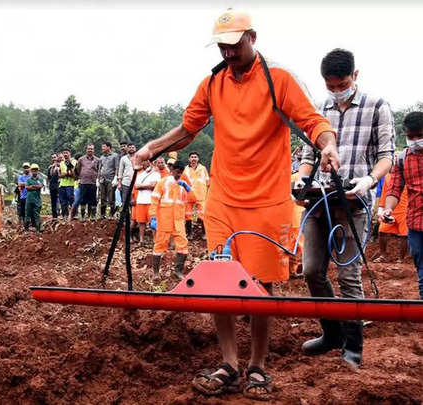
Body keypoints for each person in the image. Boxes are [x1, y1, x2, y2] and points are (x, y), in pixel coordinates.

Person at [133, 9, 339, 398]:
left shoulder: (279, 79)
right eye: (222, 47)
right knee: (219, 283)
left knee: (261, 285)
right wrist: (153, 148)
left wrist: (327, 146)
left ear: (253, 38)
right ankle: (228, 362)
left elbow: (313, 122)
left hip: (267, 200)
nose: (228, 53)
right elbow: (189, 128)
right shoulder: (213, 82)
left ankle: (258, 366)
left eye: (234, 45)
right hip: (223, 199)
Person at [298, 48, 395, 369]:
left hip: (354, 204)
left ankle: (353, 347)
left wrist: (369, 180)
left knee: (348, 275)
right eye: (331, 85)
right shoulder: (318, 108)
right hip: (319, 202)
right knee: (312, 270)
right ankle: (331, 333)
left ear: (355, 76)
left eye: (342, 84)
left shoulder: (377, 107)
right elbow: (307, 156)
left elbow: (387, 155)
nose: (337, 90)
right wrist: (301, 180)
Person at [380, 111, 423, 299]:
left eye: (420, 136)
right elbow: (394, 188)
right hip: (416, 224)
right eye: (410, 137)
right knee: (422, 270)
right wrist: (388, 208)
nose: (414, 141)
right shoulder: (402, 158)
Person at [149, 160, 194, 279]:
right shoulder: (162, 183)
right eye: (177, 172)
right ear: (172, 170)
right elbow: (154, 200)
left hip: (178, 221)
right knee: (159, 245)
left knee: (183, 245)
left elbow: (194, 199)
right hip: (164, 220)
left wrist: (188, 189)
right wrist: (153, 217)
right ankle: (156, 273)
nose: (178, 175)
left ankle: (178, 271)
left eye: (181, 173)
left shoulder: (183, 185)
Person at [374, 172, 408, 263]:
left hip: (405, 209)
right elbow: (384, 192)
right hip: (390, 209)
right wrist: (381, 208)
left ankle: (401, 259)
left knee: (404, 235)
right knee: (382, 231)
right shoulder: (388, 176)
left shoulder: (410, 174)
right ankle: (383, 255)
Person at [183, 152, 210, 238]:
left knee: (202, 215)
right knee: (188, 215)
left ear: (198, 159)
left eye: (195, 157)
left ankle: (204, 233)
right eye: (192, 157)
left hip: (201, 195)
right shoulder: (185, 169)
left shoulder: (203, 169)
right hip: (188, 195)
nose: (193, 159)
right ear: (189, 159)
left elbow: (207, 182)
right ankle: (189, 233)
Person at [134, 160, 161, 245]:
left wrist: (143, 186)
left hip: (151, 201)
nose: (144, 163)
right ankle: (141, 240)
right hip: (141, 201)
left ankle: (155, 240)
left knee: (153, 222)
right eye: (143, 162)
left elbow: (154, 186)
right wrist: (148, 185)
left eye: (146, 161)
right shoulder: (140, 175)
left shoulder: (156, 174)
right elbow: (137, 186)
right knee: (141, 222)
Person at [75, 144, 100, 221]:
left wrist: (97, 180)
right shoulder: (81, 159)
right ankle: (82, 216)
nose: (90, 150)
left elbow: (99, 170)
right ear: (86, 149)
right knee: (83, 200)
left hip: (93, 183)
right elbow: (77, 170)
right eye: (89, 149)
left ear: (94, 150)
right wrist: (81, 177)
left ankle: (92, 216)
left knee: (93, 200)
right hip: (83, 183)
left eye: (91, 149)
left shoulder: (97, 160)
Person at [98, 141, 119, 219]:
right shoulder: (101, 157)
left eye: (104, 147)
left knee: (111, 198)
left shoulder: (115, 156)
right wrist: (98, 178)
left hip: (111, 179)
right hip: (102, 179)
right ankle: (102, 215)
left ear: (108, 147)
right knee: (102, 197)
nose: (102, 148)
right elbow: (100, 168)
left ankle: (111, 214)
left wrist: (116, 177)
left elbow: (117, 167)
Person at [24, 164, 44, 232]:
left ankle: (38, 229)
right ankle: (26, 229)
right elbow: (27, 187)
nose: (34, 171)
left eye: (36, 170)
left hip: (37, 200)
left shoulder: (40, 179)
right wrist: (36, 186)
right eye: (33, 170)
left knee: (37, 215)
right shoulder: (28, 179)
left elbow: (40, 186)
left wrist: (32, 186)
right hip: (29, 200)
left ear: (38, 171)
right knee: (27, 214)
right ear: (31, 171)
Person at [59, 149, 77, 219]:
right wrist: (64, 174)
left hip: (71, 184)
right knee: (63, 201)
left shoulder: (74, 162)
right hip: (62, 184)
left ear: (70, 153)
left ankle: (74, 214)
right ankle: (65, 215)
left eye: (66, 153)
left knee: (71, 199)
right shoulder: (61, 163)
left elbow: (74, 173)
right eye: (64, 153)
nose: (65, 154)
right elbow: (60, 174)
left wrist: (66, 173)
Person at [117, 143, 136, 208]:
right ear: (127, 149)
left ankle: (133, 217)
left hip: (136, 183)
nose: (131, 149)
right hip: (125, 182)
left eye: (133, 147)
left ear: (135, 148)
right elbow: (120, 171)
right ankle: (125, 217)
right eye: (130, 147)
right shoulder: (123, 158)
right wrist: (119, 183)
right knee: (124, 201)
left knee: (134, 201)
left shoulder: (138, 157)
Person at [47, 153, 61, 219]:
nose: (54, 159)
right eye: (52, 157)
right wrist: (53, 167)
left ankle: (62, 215)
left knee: (62, 200)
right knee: (53, 202)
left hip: (60, 186)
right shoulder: (50, 167)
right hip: (52, 187)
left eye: (55, 157)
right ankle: (54, 217)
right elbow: (49, 177)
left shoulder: (61, 166)